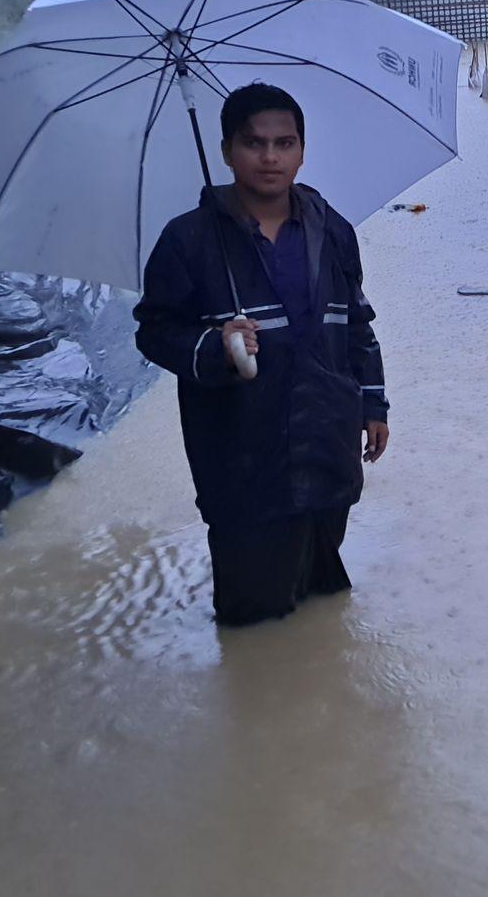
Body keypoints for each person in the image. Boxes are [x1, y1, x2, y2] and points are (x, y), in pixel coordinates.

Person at [134, 82, 390, 626]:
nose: (270, 157)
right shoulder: (188, 241)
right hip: (243, 454)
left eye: (285, 142)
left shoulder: (333, 230)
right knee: (253, 617)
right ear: (227, 151)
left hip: (326, 438)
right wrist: (214, 347)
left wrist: (373, 405)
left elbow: (357, 324)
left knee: (324, 601)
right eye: (254, 143)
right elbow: (154, 332)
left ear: (302, 149)